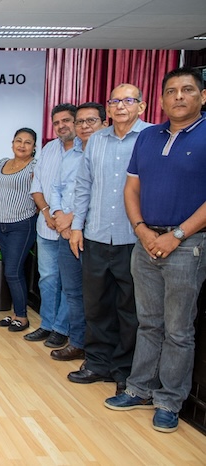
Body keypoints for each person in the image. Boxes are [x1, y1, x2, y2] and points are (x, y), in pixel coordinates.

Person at [104, 67, 206, 433]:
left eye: (187, 90)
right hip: (145, 241)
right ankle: (139, 388)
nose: (179, 97)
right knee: (148, 322)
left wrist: (176, 234)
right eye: (172, 91)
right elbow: (132, 189)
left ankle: (168, 401)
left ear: (202, 96)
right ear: (161, 100)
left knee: (179, 329)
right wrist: (142, 230)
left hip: (188, 244)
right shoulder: (147, 138)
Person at [68, 84, 151, 395]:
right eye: (114, 101)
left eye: (128, 101)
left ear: (141, 106)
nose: (120, 107)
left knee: (130, 309)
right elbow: (84, 186)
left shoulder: (151, 138)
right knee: (97, 305)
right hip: (96, 235)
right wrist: (77, 226)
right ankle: (97, 362)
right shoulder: (96, 141)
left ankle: (125, 371)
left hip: (134, 237)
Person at [46, 102, 107, 362]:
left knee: (96, 294)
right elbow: (57, 188)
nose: (83, 126)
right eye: (80, 122)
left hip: (93, 233)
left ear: (105, 123)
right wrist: (59, 216)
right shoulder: (71, 154)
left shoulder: (107, 151)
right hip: (66, 233)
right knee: (72, 291)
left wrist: (72, 219)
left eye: (88, 121)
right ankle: (78, 342)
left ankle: (98, 350)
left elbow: (103, 193)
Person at [27, 104, 75, 346]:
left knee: (69, 283)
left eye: (66, 121)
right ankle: (47, 324)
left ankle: (62, 329)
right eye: (56, 123)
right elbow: (37, 187)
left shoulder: (85, 149)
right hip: (47, 226)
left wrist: (66, 219)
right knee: (47, 279)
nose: (60, 126)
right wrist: (47, 213)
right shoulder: (48, 149)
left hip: (72, 229)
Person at [0, 128, 38, 332]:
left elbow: (40, 193)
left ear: (34, 147)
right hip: (0, 224)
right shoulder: (1, 163)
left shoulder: (35, 166)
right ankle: (16, 313)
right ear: (12, 143)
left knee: (12, 271)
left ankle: (22, 317)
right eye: (19, 140)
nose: (22, 145)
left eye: (28, 142)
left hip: (22, 224)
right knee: (12, 270)